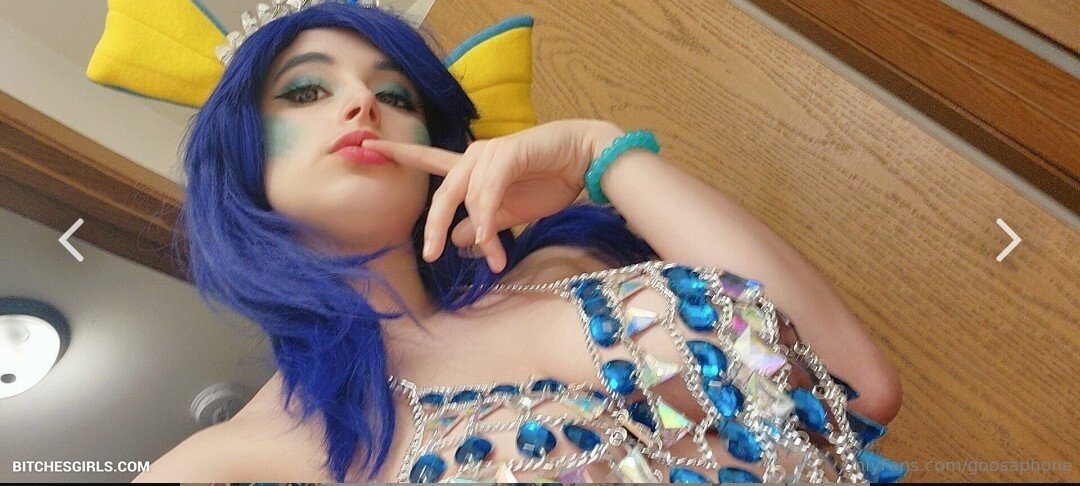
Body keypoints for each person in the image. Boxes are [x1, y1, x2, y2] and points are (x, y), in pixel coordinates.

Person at [113, 1, 902, 482]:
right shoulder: (217, 464)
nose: (361, 103)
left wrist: (601, 153)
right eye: (307, 90)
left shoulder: (564, 267)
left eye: (396, 94)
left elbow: (853, 388)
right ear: (239, 154)